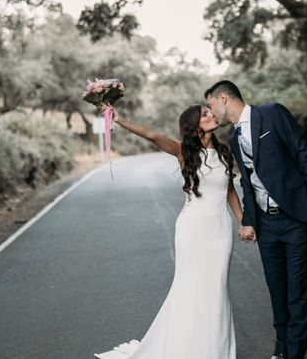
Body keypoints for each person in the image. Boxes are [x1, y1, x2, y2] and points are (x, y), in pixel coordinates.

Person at [94, 104, 242, 359]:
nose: (211, 115)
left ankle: (213, 350)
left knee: (216, 288)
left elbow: (229, 191)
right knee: (190, 286)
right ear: (194, 124)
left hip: (221, 229)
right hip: (192, 228)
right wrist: (120, 120)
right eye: (205, 114)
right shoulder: (183, 151)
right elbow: (152, 136)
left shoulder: (225, 152)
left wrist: (243, 222)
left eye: (210, 112)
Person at [205, 81, 307, 359]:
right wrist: (248, 219)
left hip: (296, 217)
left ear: (223, 98)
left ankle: (294, 353)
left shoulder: (273, 114)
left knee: (297, 289)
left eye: (210, 105)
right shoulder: (235, 139)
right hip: (266, 224)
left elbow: (303, 152)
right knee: (276, 288)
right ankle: (282, 346)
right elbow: (248, 184)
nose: (210, 112)